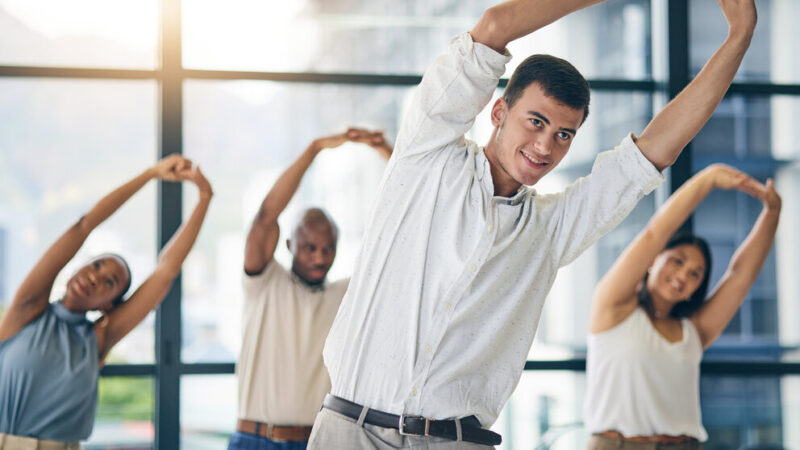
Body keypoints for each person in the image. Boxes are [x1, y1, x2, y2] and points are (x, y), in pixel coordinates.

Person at [310, 0, 758, 448]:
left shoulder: (551, 228)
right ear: (499, 112)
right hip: (351, 431)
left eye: (564, 134)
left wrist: (739, 38)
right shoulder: (427, 155)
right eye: (536, 121)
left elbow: (658, 148)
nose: (545, 145)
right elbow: (496, 25)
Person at [0, 155, 212, 449]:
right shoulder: (27, 309)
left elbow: (166, 271)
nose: (96, 277)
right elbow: (84, 225)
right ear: (79, 265)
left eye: (110, 282)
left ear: (108, 306)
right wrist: (150, 174)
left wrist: (204, 196)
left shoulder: (97, 338)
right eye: (97, 265)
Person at [584, 164, 781, 449]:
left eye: (695, 274)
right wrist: (707, 179)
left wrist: (772, 213)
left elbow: (740, 276)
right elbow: (655, 233)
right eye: (677, 261)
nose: (683, 276)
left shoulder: (693, 331)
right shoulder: (612, 308)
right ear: (654, 260)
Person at [228, 128, 392, 450]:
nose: (320, 256)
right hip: (255, 440)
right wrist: (313, 149)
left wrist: (386, 152)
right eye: (309, 247)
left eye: (328, 248)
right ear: (289, 245)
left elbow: (402, 230)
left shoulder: (346, 295)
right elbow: (265, 216)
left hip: (319, 442)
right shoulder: (264, 282)